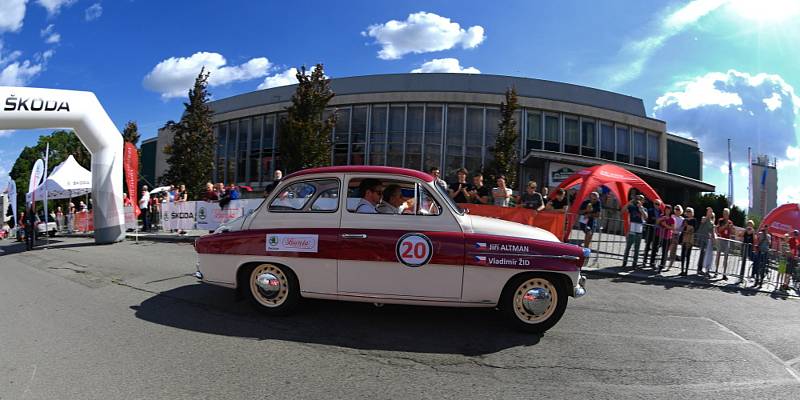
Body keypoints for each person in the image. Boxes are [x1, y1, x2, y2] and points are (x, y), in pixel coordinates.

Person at [622, 195, 647, 269]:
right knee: (628, 247)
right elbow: (623, 211)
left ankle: (634, 264)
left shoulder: (644, 208)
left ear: (643, 201)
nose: (639, 200)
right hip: (632, 229)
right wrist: (629, 202)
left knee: (637, 248)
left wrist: (640, 208)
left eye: (641, 199)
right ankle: (624, 262)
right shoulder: (632, 207)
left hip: (639, 230)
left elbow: (646, 217)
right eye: (638, 199)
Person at [695, 208, 715, 276]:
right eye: (709, 212)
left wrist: (714, 240)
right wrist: (707, 216)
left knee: (704, 254)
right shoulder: (704, 218)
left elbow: (712, 232)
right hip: (702, 239)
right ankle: (699, 269)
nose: (710, 213)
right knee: (702, 253)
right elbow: (703, 221)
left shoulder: (711, 222)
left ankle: (703, 269)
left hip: (707, 240)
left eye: (711, 212)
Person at [643, 199, 662, 269]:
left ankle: (652, 262)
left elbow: (661, 221)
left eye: (658, 204)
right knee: (647, 246)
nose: (657, 205)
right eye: (656, 203)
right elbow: (648, 219)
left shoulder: (661, 212)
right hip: (650, 230)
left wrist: (657, 220)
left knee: (655, 247)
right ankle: (644, 261)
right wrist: (655, 219)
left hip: (657, 231)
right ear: (653, 204)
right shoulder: (650, 210)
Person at [656, 205, 675, 271]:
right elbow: (657, 222)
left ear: (670, 211)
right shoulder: (662, 216)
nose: (667, 211)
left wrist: (665, 225)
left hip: (667, 236)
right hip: (660, 235)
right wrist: (662, 219)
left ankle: (662, 265)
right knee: (657, 250)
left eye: (669, 210)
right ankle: (655, 263)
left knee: (665, 251)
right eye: (666, 209)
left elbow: (673, 228)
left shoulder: (672, 219)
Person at [679, 207, 697, 276]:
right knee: (683, 254)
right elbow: (682, 228)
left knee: (688, 255)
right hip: (684, 237)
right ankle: (682, 270)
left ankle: (686, 270)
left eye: (690, 211)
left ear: (692, 213)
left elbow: (695, 229)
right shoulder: (684, 220)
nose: (688, 212)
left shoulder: (694, 220)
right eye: (687, 211)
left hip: (690, 238)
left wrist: (688, 226)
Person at [667, 205, 684, 270]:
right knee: (666, 249)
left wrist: (676, 230)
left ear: (681, 211)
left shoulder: (682, 219)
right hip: (669, 234)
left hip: (676, 235)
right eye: (676, 209)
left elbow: (681, 228)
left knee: (673, 252)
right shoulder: (672, 216)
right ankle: (662, 264)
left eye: (678, 209)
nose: (677, 210)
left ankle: (669, 266)